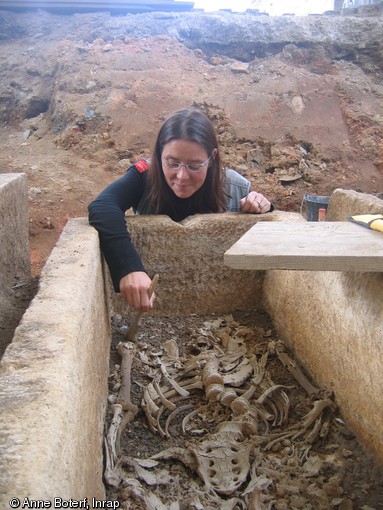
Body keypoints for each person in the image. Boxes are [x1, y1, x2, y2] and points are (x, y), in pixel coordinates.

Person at [88, 107, 274, 311]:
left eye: (195, 165)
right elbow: (103, 206)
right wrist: (128, 268)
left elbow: (272, 226)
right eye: (172, 162)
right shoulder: (144, 176)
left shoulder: (234, 187)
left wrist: (263, 206)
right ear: (160, 153)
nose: (182, 176)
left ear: (212, 158)